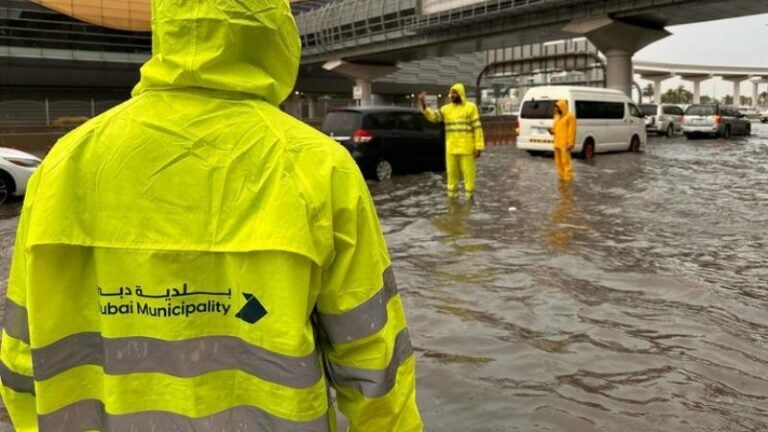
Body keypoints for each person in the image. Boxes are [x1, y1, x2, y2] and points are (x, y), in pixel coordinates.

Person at [0, 1, 423, 431]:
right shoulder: (318, 167)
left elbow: (20, 354)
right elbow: (372, 354)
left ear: (166, 32)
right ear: (275, 37)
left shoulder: (66, 163)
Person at [418, 84, 485, 199]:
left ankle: (469, 201)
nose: (452, 95)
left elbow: (477, 128)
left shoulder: (471, 107)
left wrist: (478, 147)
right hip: (451, 148)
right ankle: (452, 202)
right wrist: (424, 105)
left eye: (455, 93)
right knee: (451, 176)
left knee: (469, 176)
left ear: (461, 94)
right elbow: (434, 117)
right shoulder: (446, 109)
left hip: (467, 148)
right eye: (451, 93)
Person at [549, 100, 576, 182]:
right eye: (555, 108)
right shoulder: (556, 117)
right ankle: (562, 179)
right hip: (557, 143)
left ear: (561, 107)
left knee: (565, 162)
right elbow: (555, 129)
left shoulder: (570, 116)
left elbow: (572, 131)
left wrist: (570, 143)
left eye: (556, 108)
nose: (555, 109)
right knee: (558, 162)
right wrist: (551, 131)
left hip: (565, 144)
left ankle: (568, 180)